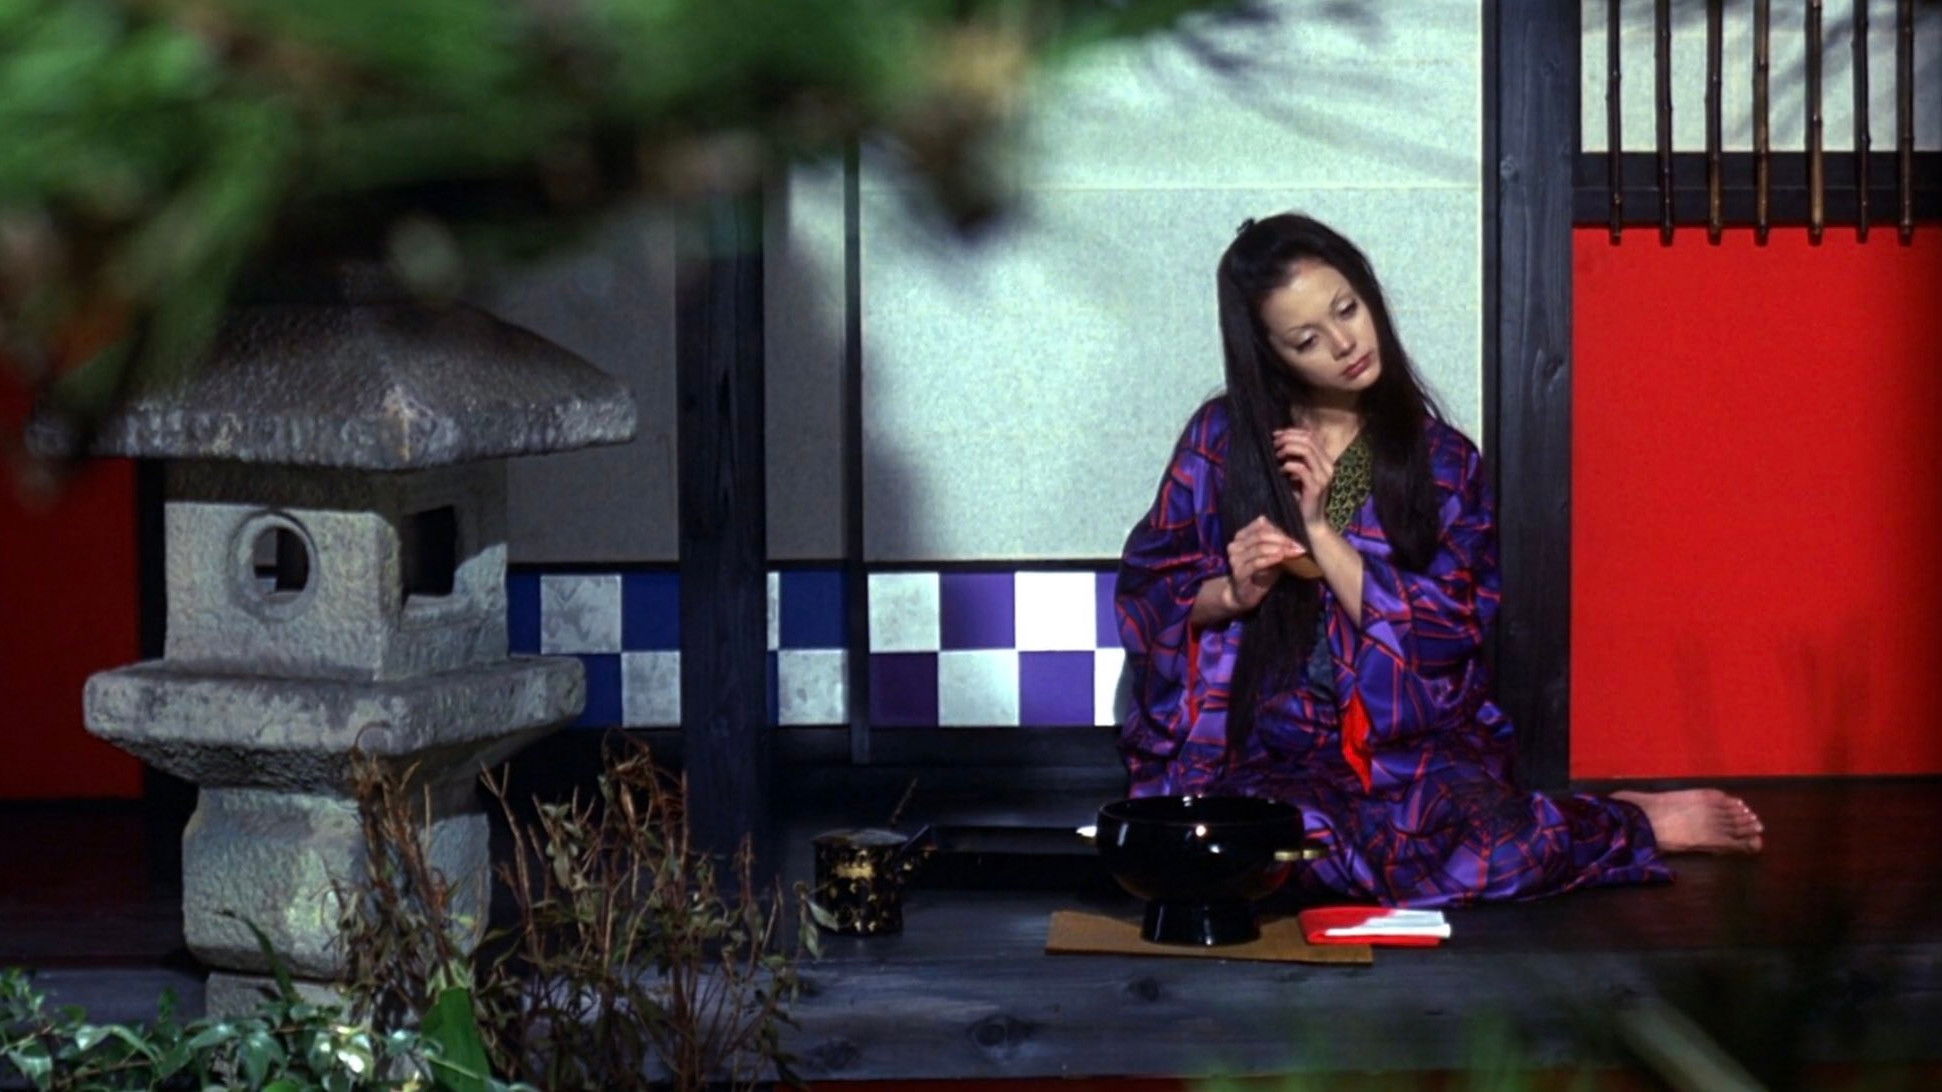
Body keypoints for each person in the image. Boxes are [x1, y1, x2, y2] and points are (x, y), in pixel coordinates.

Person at [1115, 213, 1763, 908]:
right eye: (1307, 340)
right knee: (1255, 844)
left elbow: (1449, 630)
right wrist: (1232, 594)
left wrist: (1322, 534)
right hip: (1274, 753)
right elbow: (1152, 592)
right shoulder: (1221, 442)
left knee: (1494, 850)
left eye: (1347, 310)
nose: (1344, 344)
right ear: (1271, 356)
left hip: (1416, 750)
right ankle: (1427, 844)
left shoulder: (1442, 461)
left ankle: (1627, 820)